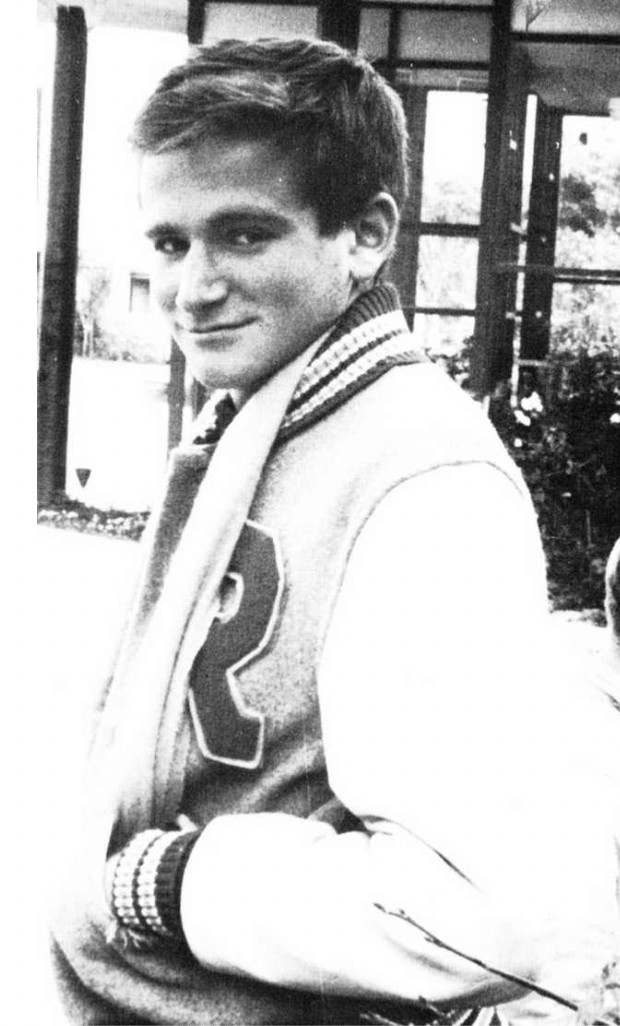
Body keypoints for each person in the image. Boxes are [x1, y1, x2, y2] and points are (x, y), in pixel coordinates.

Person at [50, 37, 620, 1026]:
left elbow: (479, 915)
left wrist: (173, 883)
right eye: (170, 243)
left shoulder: (422, 478)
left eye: (242, 236)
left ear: (364, 234)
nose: (193, 288)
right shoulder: (271, 417)